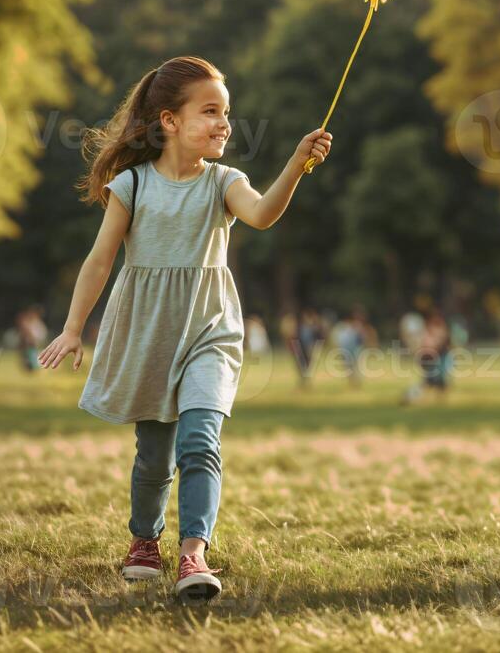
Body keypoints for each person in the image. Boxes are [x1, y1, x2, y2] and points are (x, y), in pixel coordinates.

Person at [37, 56, 331, 604]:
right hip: (149, 330)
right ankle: (143, 541)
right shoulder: (132, 185)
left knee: (200, 439)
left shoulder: (225, 181)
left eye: (228, 113)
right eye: (210, 111)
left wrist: (295, 162)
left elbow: (264, 214)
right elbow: (101, 260)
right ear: (169, 121)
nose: (224, 123)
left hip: (209, 328)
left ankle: (193, 552)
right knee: (153, 454)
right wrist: (73, 328)